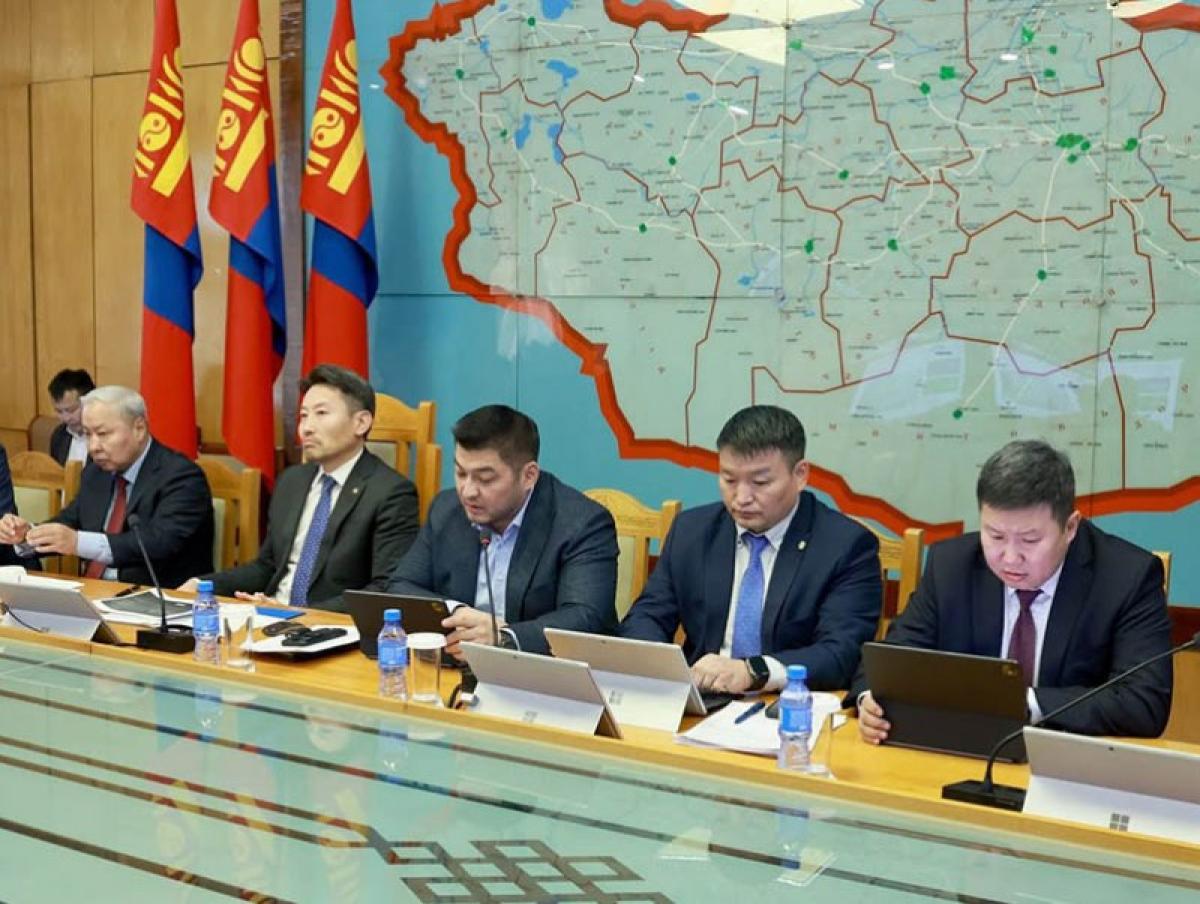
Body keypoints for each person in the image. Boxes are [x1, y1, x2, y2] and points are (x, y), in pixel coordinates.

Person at [853, 439, 1172, 741]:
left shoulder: (1127, 578)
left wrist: (1024, 703)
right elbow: (890, 660)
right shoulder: (951, 566)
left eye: (1030, 540)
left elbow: (1143, 701)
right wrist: (871, 700)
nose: (1009, 557)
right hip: (963, 753)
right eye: (995, 536)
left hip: (1070, 761)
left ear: (1070, 527)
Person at [620, 405, 882, 693]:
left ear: (800, 475)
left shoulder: (845, 546)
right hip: (703, 698)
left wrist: (752, 671)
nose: (741, 498)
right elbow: (646, 617)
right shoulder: (692, 531)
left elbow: (840, 653)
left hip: (788, 703)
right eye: (729, 480)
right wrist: (666, 671)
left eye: (760, 482)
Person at [383, 405, 618, 655]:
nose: (468, 491)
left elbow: (585, 617)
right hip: (458, 664)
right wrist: (456, 612)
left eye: (485, 479)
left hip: (541, 669)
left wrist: (504, 638)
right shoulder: (446, 509)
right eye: (461, 473)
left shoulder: (582, 523)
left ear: (528, 476)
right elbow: (401, 586)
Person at [181, 365, 419, 611]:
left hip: (330, 624)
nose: (306, 428)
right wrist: (202, 585)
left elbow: (384, 589)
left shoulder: (391, 493)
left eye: (321, 413)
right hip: (271, 617)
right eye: (304, 416)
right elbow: (268, 566)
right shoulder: (292, 482)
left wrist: (300, 614)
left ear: (361, 423)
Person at [0, 385, 214, 587]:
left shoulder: (182, 476)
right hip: (92, 593)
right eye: (87, 434)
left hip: (159, 598)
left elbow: (158, 542)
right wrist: (27, 535)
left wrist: (77, 542)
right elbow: (69, 522)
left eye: (102, 434)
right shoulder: (96, 473)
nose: (93, 447)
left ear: (139, 429)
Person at [47, 368, 96, 465]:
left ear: (91, 401)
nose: (66, 418)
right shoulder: (59, 435)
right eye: (59, 411)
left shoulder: (105, 437)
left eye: (72, 410)